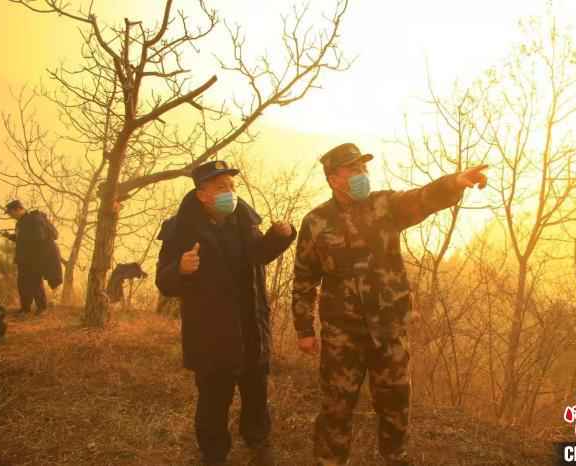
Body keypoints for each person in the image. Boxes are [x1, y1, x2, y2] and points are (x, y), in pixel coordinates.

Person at [292, 143, 488, 466]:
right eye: (353, 170)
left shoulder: (384, 206)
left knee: (396, 403)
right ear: (333, 179)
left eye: (364, 169)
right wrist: (303, 328)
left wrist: (453, 183)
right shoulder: (315, 222)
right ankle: (329, 461)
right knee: (336, 407)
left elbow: (422, 199)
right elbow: (304, 278)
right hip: (343, 334)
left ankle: (394, 457)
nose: (362, 175)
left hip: (389, 329)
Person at [156, 160, 297, 466]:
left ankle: (258, 444)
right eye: (221, 187)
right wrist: (180, 269)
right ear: (202, 194)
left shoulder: (244, 221)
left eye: (232, 187)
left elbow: (258, 255)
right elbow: (163, 281)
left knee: (256, 395)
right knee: (213, 401)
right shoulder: (179, 230)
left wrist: (280, 236)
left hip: (250, 328)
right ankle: (213, 454)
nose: (230, 193)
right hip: (210, 335)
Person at [2, 200, 63, 314]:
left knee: (35, 283)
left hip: (34, 259)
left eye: (11, 213)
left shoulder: (34, 220)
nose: (10, 216)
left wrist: (36, 258)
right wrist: (10, 236)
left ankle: (42, 308)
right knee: (22, 284)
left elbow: (38, 239)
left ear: (18, 209)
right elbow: (23, 239)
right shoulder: (21, 222)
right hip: (24, 259)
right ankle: (25, 309)